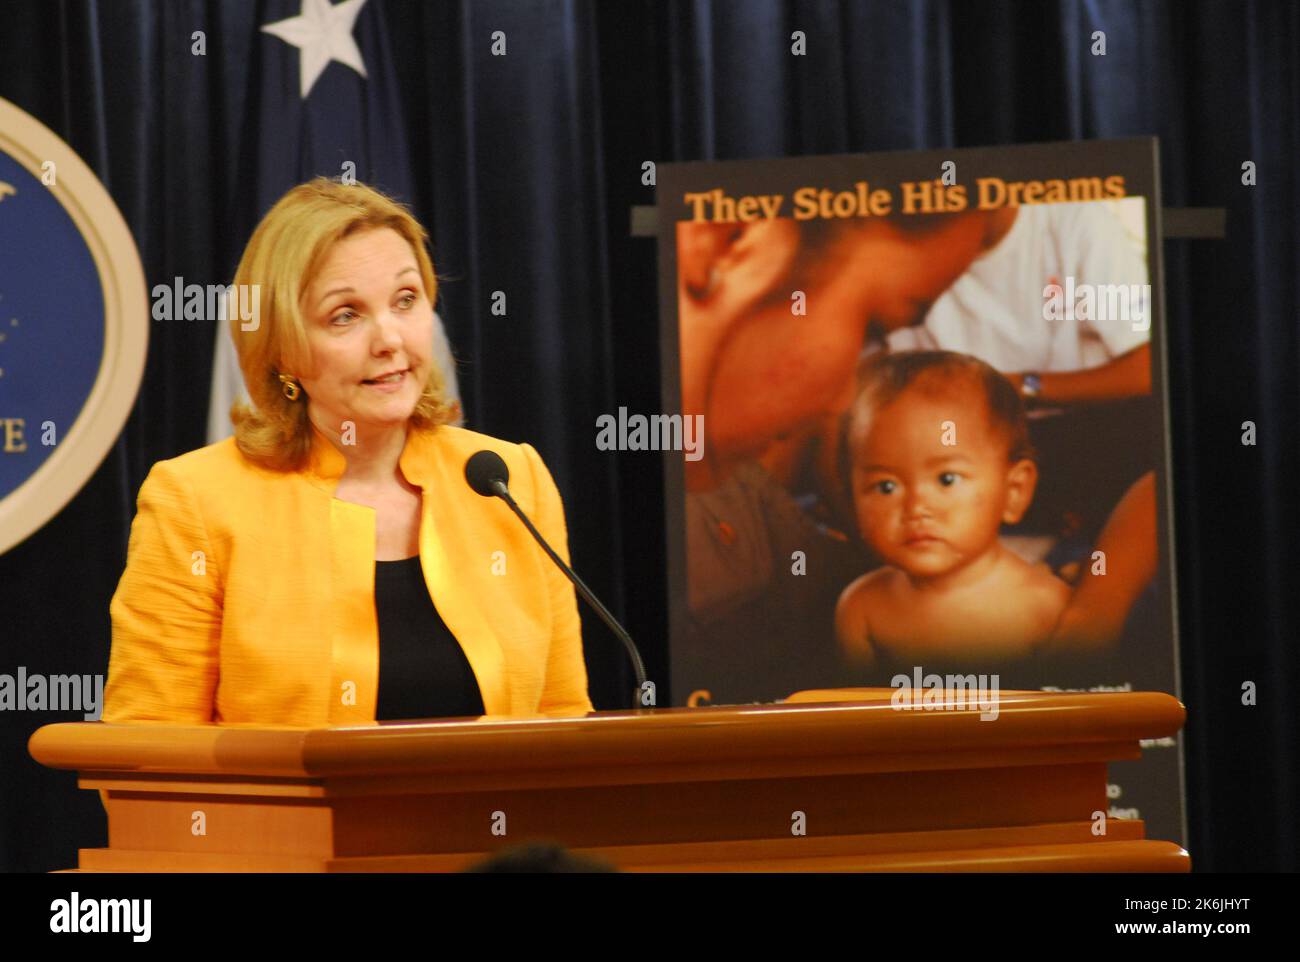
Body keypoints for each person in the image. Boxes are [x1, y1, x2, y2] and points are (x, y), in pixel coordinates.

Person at [103, 178, 593, 727]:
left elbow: (564, 720)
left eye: (406, 301)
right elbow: (148, 758)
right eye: (345, 315)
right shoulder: (196, 502)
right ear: (282, 348)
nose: (390, 339)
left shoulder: (510, 479)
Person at [835, 351, 1071, 666]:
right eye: (886, 486)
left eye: (946, 480)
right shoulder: (861, 609)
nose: (917, 508)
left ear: (1014, 491)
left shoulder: (1050, 609)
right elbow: (857, 713)